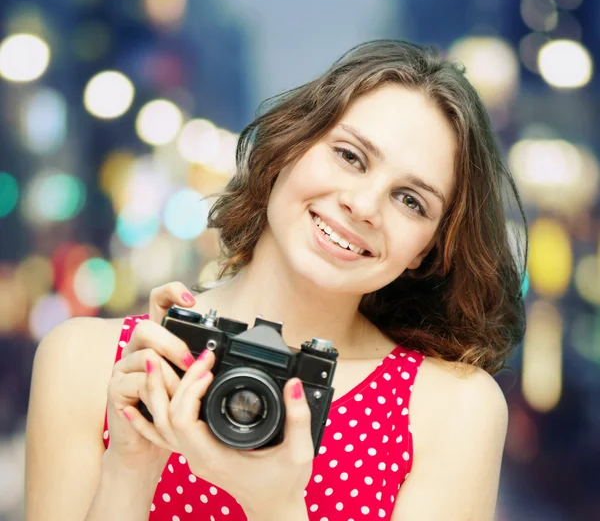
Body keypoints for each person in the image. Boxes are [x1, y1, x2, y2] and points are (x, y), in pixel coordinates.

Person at [25, 40, 527, 521]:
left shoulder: (452, 410)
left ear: (428, 248)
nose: (364, 206)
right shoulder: (90, 362)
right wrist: (131, 465)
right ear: (289, 145)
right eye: (350, 156)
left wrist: (276, 507)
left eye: (410, 200)